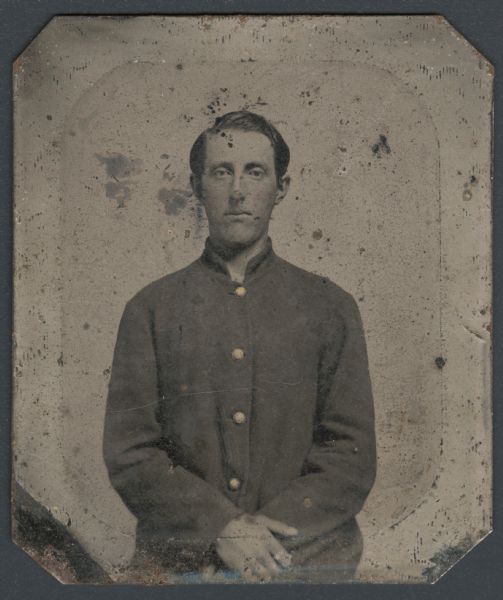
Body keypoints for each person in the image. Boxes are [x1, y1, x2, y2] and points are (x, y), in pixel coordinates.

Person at [103, 110, 376, 583]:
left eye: (255, 172)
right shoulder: (150, 309)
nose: (237, 191)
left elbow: (350, 454)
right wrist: (218, 528)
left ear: (282, 188)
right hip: (184, 568)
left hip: (307, 562)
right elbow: (132, 453)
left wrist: (263, 543)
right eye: (221, 172)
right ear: (196, 186)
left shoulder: (330, 307)